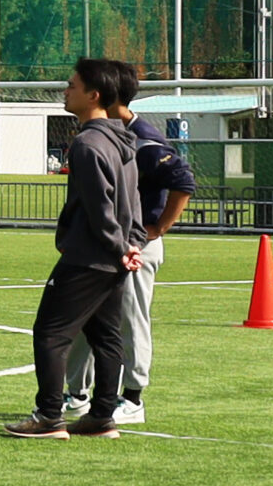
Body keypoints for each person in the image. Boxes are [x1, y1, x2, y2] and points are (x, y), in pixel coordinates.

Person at [8, 60, 146, 440]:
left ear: (93, 95)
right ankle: (102, 416)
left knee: (50, 334)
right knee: (106, 337)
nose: (65, 92)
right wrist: (133, 246)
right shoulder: (124, 142)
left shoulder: (87, 144)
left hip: (88, 257)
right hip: (114, 258)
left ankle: (49, 416)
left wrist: (120, 247)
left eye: (71, 86)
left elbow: (100, 208)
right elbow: (133, 203)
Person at [61, 60, 195, 429]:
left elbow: (183, 178)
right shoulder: (106, 133)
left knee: (130, 319)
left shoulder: (144, 139)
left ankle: (133, 397)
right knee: (87, 319)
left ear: (104, 93)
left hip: (135, 244)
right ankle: (76, 392)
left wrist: (158, 228)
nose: (68, 89)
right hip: (105, 244)